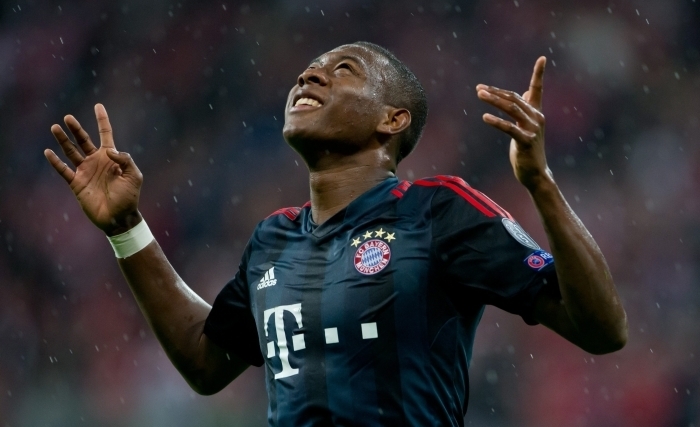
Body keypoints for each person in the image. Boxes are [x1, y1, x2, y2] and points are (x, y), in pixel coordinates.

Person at [44, 42, 628, 426]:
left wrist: (540, 183)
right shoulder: (273, 239)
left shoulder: (438, 210)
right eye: (308, 70)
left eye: (342, 69)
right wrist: (127, 229)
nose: (309, 74)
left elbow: (602, 330)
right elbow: (205, 361)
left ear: (392, 119)